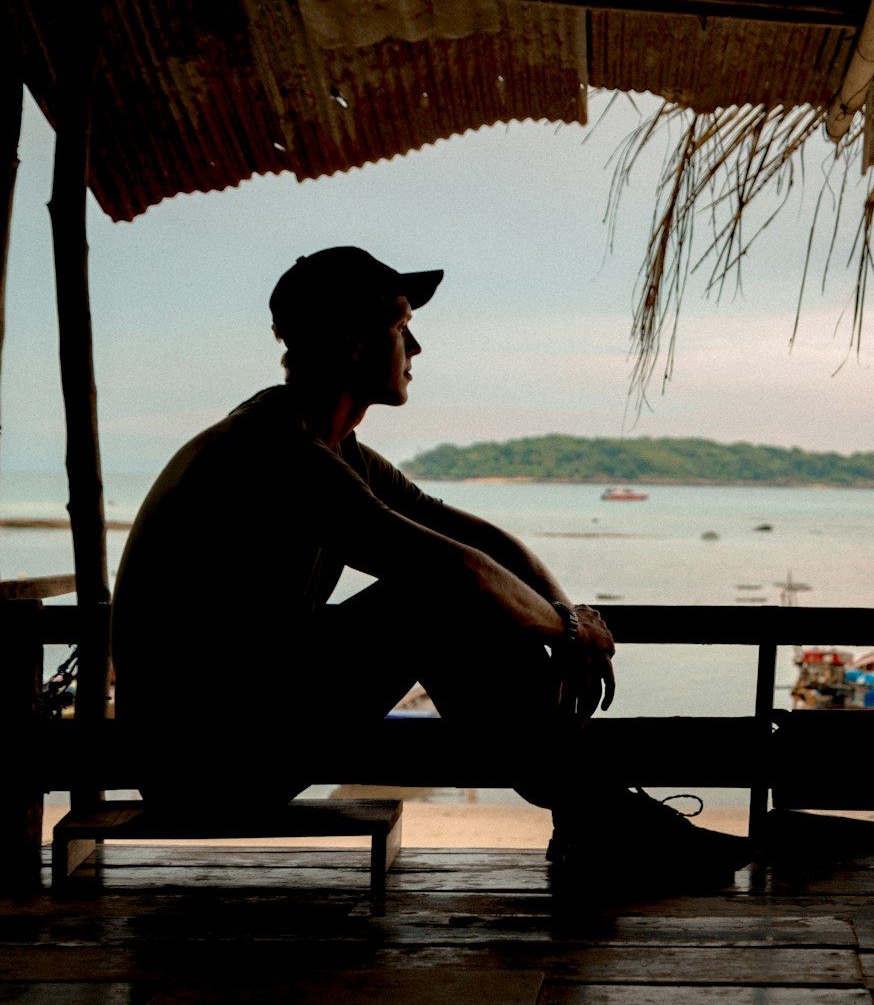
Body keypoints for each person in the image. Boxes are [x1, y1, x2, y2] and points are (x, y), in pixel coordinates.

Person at [110, 246, 748, 891]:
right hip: (202, 765)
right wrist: (568, 632)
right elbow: (456, 572)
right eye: (398, 327)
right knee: (430, 599)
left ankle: (596, 816)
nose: (415, 347)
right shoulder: (274, 453)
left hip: (245, 733)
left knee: (442, 594)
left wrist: (568, 613)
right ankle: (602, 818)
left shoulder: (334, 450)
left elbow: (475, 536)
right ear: (352, 343)